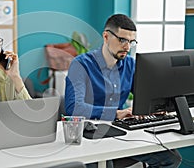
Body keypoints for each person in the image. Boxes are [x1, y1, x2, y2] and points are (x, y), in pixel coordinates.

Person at [65, 14, 181, 168]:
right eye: (122, 40)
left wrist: (156, 108)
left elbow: (146, 96)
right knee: (106, 163)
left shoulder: (130, 65)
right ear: (106, 37)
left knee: (171, 158)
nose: (127, 47)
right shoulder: (80, 65)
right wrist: (117, 113)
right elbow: (74, 108)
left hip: (122, 133)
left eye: (131, 42)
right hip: (91, 137)